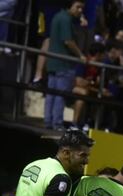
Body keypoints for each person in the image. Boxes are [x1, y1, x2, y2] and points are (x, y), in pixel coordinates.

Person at [44, 0, 86, 131]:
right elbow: (68, 41)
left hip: (53, 63)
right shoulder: (66, 19)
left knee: (51, 94)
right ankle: (57, 123)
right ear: (70, 5)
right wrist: (80, 55)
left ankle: (48, 121)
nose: (80, 10)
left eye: (82, 8)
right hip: (64, 64)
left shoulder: (58, 16)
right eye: (77, 7)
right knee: (60, 96)